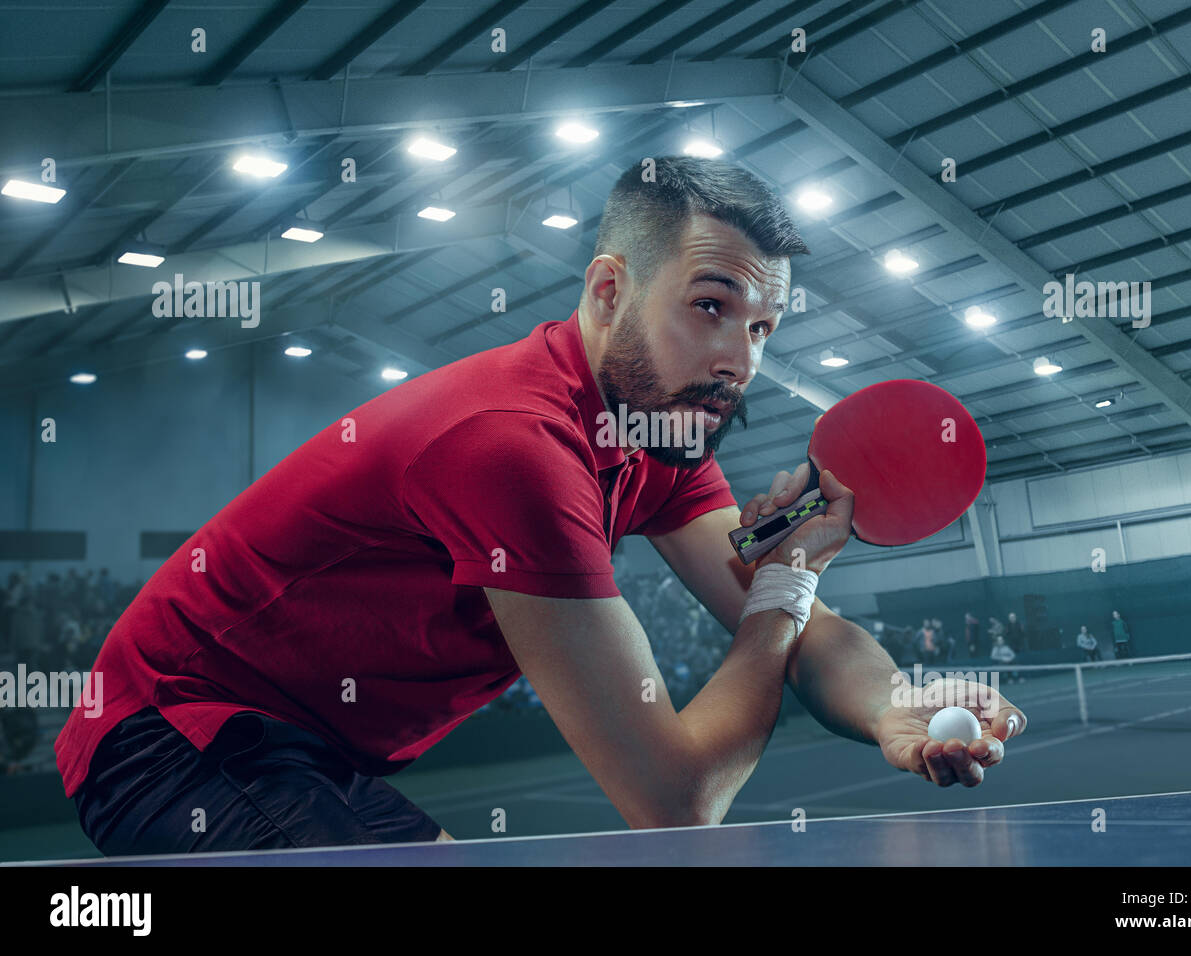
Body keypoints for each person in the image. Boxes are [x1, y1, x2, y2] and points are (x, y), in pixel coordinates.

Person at [56, 156, 1026, 858]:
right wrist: (788, 578)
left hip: (310, 747)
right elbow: (674, 798)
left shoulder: (662, 439)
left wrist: (895, 704)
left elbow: (800, 630)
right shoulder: (510, 442)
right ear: (608, 289)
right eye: (709, 305)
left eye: (763, 325)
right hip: (178, 738)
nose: (741, 356)